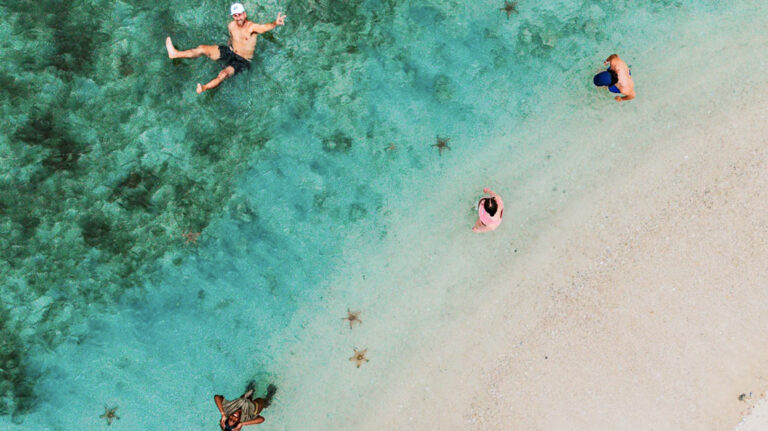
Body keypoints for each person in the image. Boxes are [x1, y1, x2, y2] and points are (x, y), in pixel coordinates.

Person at [165, 3, 286, 93]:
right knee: (202, 48)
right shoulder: (231, 25)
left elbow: (264, 27)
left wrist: (275, 23)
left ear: (245, 14)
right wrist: (227, 50)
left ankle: (204, 87)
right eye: (235, 15)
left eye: (240, 15)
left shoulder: (252, 27)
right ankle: (175, 54)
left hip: (242, 61)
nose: (238, 18)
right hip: (230, 51)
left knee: (223, 74)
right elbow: (232, 38)